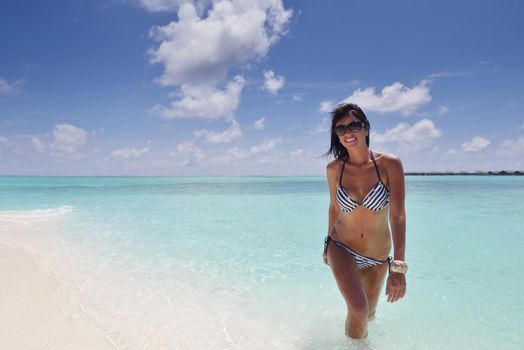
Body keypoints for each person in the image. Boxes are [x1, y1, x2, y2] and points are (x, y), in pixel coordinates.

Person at [323, 102, 407, 339]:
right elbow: (334, 208)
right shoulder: (334, 169)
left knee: (368, 314)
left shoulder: (389, 164)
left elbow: (398, 214)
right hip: (341, 248)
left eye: (354, 125)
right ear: (336, 136)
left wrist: (399, 266)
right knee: (358, 310)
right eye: (340, 129)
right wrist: (326, 245)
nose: (348, 133)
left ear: (366, 129)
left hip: (376, 257)